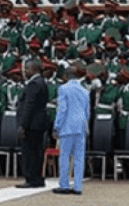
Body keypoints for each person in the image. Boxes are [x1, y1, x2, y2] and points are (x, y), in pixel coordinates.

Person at [52, 64, 90, 195]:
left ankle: (64, 185)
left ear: (65, 76)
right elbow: (87, 111)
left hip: (67, 125)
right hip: (81, 126)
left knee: (64, 157)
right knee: (79, 158)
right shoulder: (84, 90)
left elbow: (62, 109)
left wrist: (57, 126)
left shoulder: (63, 88)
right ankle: (78, 186)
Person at [16, 58, 49, 188]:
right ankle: (37, 178)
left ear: (33, 69)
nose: (24, 71)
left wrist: (22, 125)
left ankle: (31, 178)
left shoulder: (34, 84)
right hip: (38, 123)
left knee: (29, 152)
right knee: (36, 152)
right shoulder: (41, 82)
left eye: (27, 69)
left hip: (32, 124)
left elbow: (29, 106)